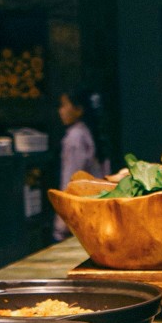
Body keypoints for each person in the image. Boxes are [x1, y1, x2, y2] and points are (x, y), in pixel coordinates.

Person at [53, 91, 103, 240]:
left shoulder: (76, 137)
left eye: (64, 105)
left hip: (79, 218)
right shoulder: (87, 133)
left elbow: (71, 180)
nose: (60, 110)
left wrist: (62, 222)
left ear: (78, 110)